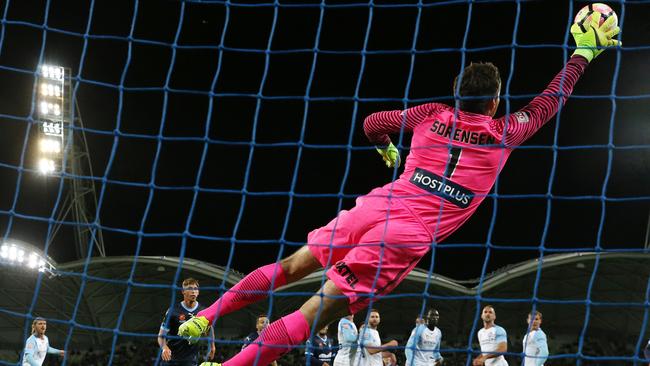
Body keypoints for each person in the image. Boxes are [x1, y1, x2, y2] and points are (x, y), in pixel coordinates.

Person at [188, 13, 621, 366]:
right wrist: (584, 52)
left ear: (456, 94)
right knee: (313, 312)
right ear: (494, 103)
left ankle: (205, 317)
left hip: (377, 205)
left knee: (289, 267)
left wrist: (389, 153)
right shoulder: (506, 132)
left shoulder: (431, 114)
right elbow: (552, 98)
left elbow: (373, 123)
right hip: (401, 236)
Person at [158, 278, 216, 365]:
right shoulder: (173, 311)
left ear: (198, 292)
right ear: (183, 291)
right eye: (190, 288)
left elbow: (209, 328)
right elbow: (161, 336)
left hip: (190, 360)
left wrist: (212, 346)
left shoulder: (203, 311)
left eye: (195, 289)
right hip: (170, 358)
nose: (193, 291)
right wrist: (164, 348)